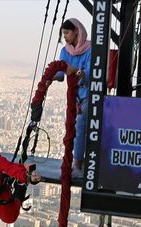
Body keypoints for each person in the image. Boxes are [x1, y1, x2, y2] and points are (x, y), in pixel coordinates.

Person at [52, 18, 92, 177]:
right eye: (63, 34)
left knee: (80, 125)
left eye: (67, 33)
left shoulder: (90, 50)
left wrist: (81, 73)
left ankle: (78, 163)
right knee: (72, 126)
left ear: (77, 31)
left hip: (89, 94)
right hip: (74, 97)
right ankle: (73, 161)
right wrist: (52, 75)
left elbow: (91, 73)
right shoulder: (65, 51)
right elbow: (62, 73)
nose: (65, 37)